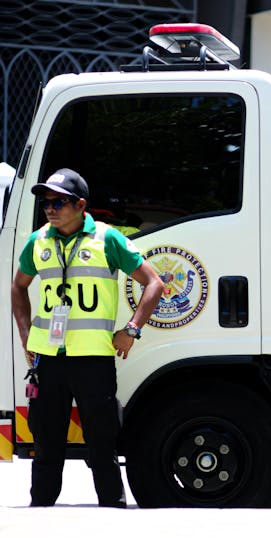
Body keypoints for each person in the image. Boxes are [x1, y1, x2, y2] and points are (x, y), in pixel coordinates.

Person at [10, 168, 163, 507]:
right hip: (47, 360)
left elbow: (154, 283)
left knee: (101, 444)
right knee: (46, 445)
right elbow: (18, 287)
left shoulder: (107, 239)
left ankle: (111, 509)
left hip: (93, 360)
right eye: (46, 202)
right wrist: (25, 337)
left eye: (59, 201)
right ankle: (41, 513)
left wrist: (132, 329)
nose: (50, 208)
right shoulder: (38, 241)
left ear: (80, 205)